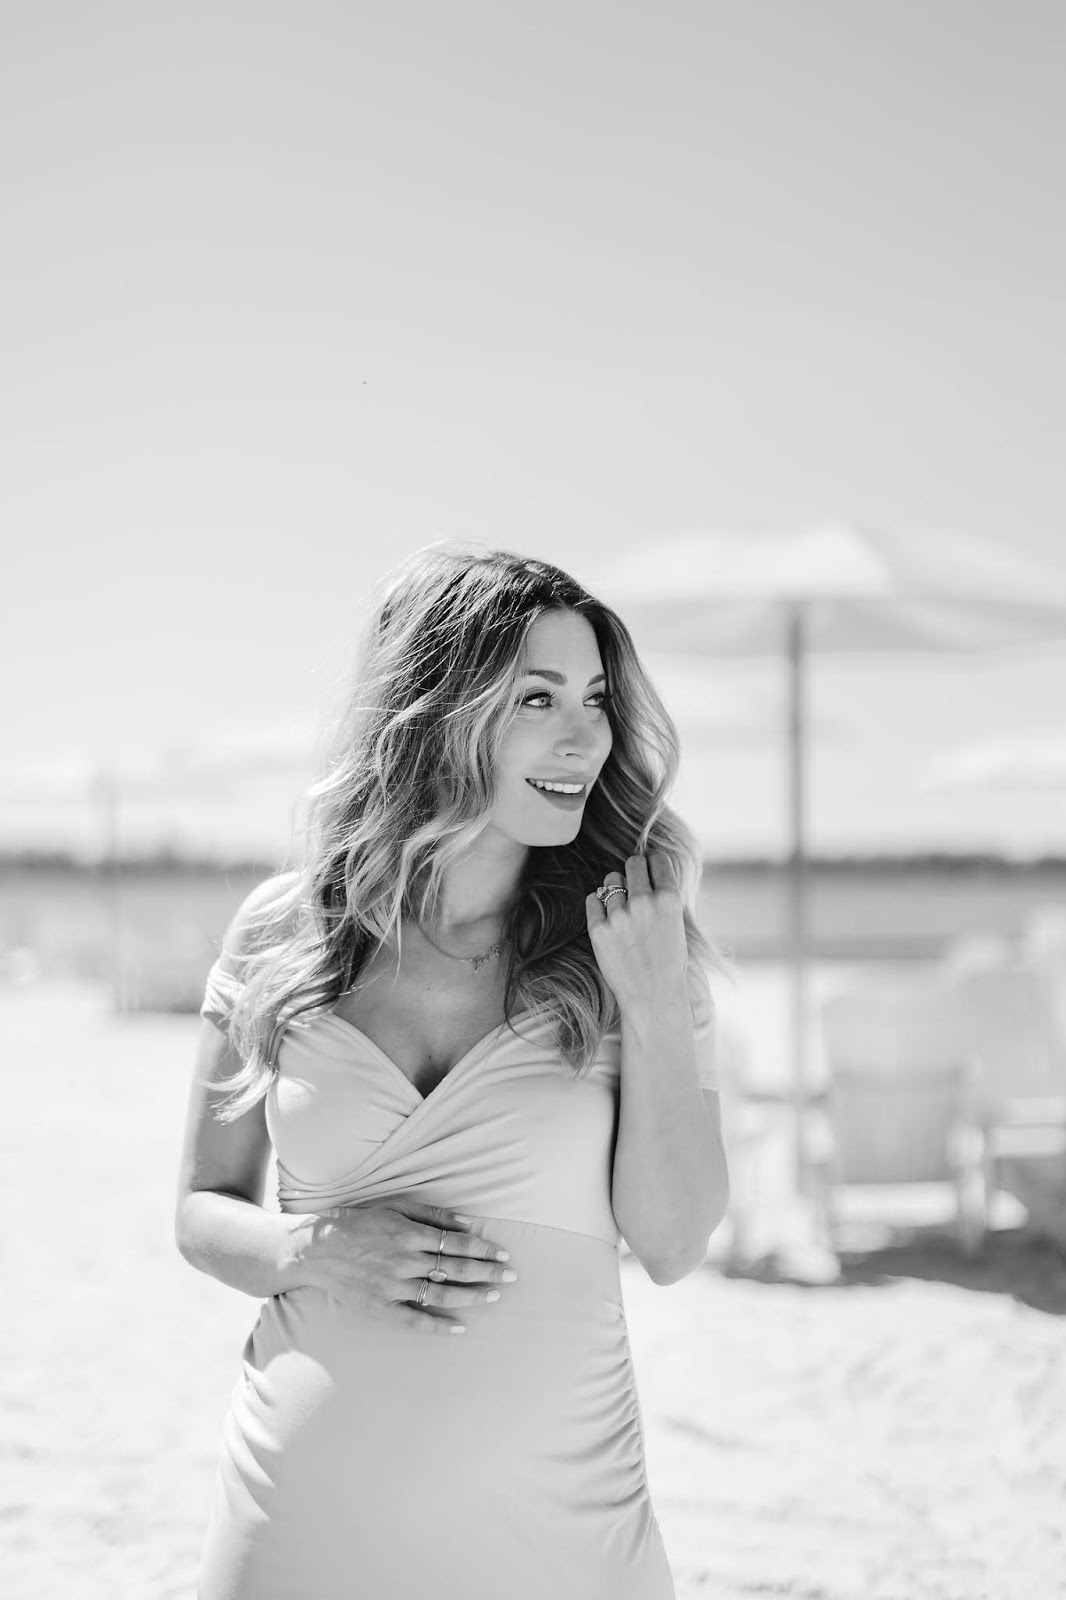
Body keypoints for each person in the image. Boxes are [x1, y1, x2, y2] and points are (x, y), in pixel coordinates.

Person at [175, 543, 730, 1599]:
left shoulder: (631, 939)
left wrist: (656, 1004)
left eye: (596, 699)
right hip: (295, 1528)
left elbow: (672, 1242)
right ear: (436, 711)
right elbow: (201, 1211)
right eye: (537, 698)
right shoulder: (284, 931)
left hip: (560, 1540)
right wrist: (311, 1247)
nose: (584, 736)